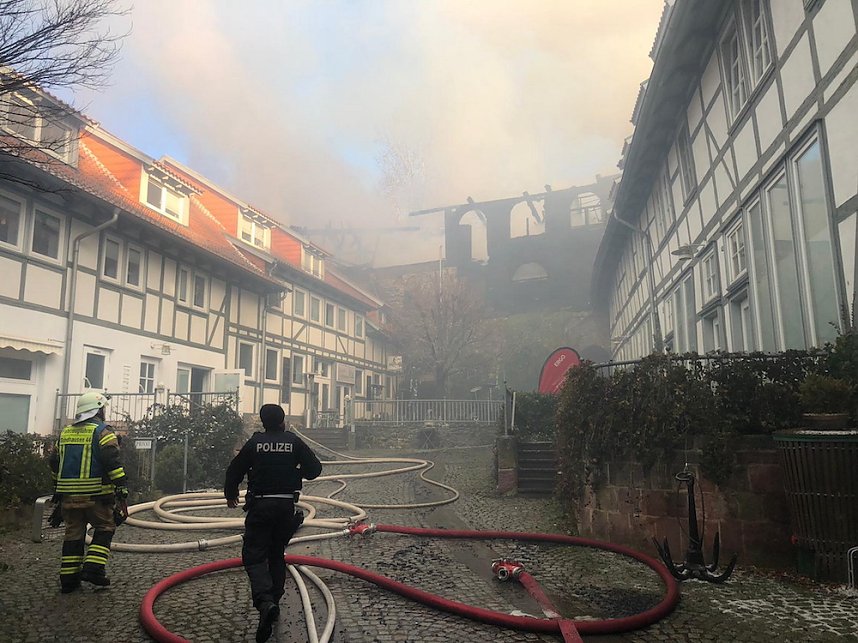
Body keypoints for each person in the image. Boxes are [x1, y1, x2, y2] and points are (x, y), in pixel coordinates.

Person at [224, 404, 322, 643]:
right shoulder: (293, 442)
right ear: (283, 421)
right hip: (285, 508)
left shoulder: (254, 444)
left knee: (255, 555)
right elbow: (315, 470)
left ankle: (265, 602)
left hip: (260, 507)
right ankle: (274, 603)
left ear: (262, 422)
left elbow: (234, 469)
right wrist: (293, 472)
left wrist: (230, 493)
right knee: (277, 554)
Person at [49, 391, 129, 593]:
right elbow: (112, 462)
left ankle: (69, 579)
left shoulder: (65, 433)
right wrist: (122, 486)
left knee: (73, 534)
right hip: (97, 497)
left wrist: (58, 491)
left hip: (68, 498)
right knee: (105, 528)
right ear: (99, 410)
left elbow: (54, 463)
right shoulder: (103, 432)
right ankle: (93, 569)